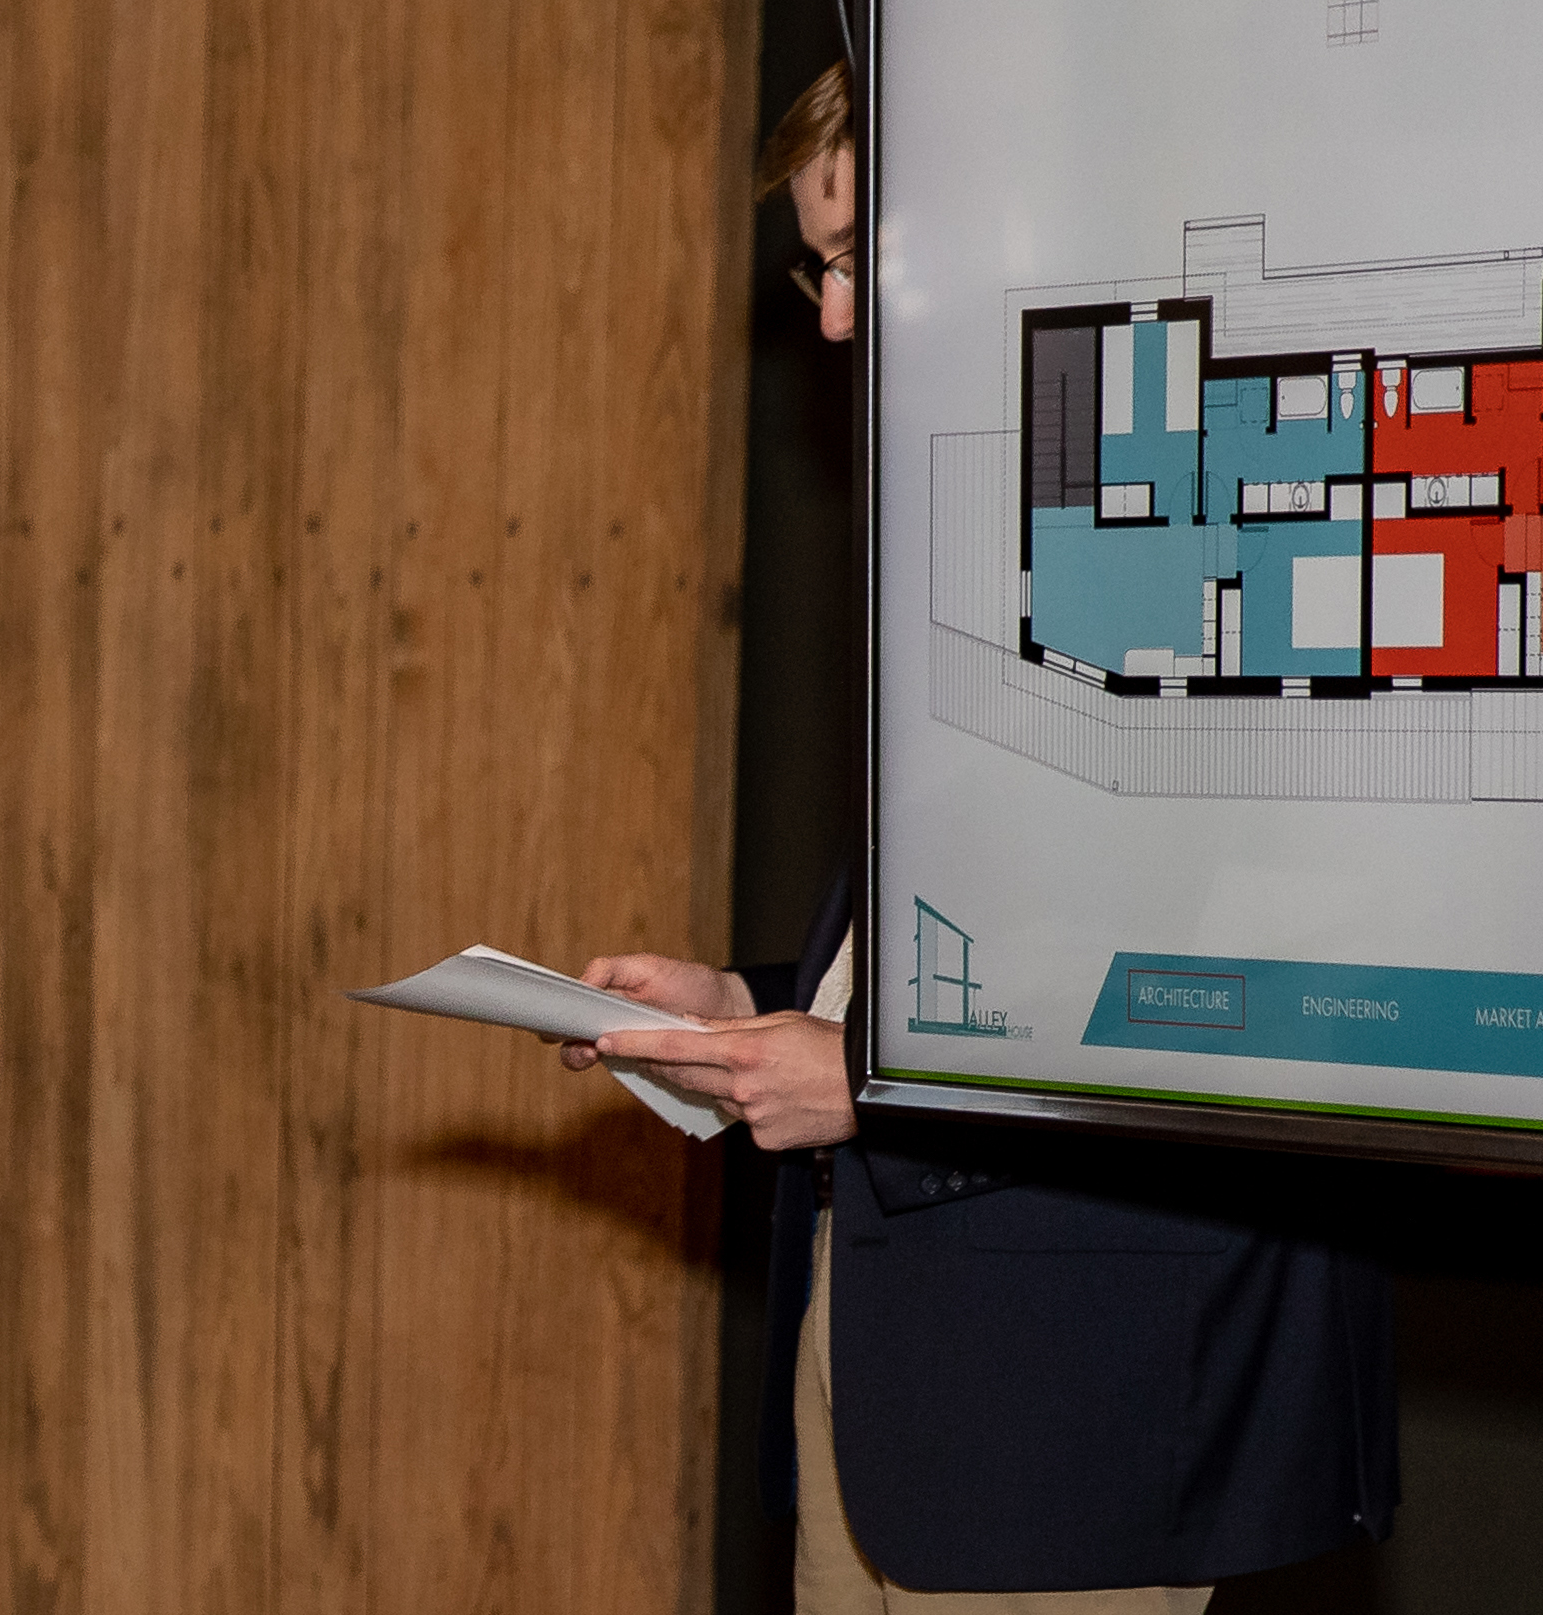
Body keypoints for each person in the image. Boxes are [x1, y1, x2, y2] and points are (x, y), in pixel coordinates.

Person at [560, 64, 1394, 1613]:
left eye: (864, 253)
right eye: (821, 266)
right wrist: (759, 1010)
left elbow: (1259, 964)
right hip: (876, 1358)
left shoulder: (1220, 487)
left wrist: (873, 1078)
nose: (829, 319)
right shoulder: (984, 498)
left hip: (1083, 1395)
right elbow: (980, 932)